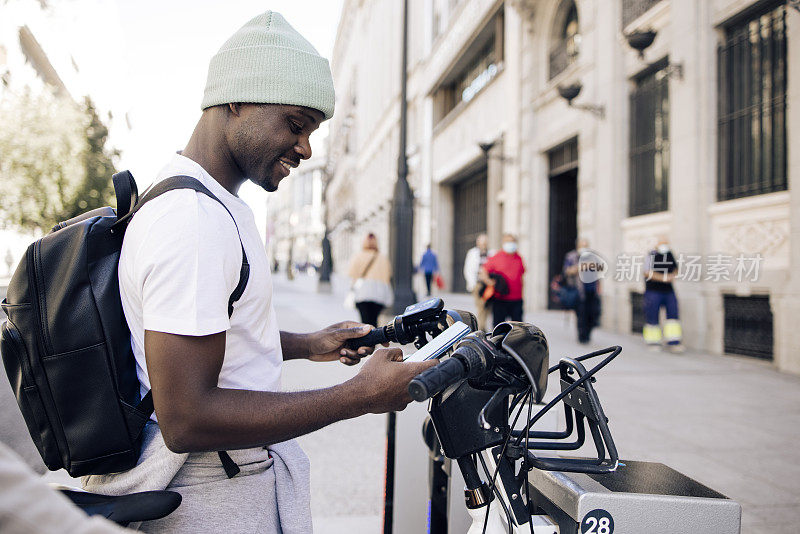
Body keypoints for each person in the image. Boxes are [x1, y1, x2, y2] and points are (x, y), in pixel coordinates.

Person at [82, 12, 436, 533]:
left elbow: (208, 333)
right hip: (204, 495)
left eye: (312, 131)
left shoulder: (209, 202)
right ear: (236, 100)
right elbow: (187, 417)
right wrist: (358, 396)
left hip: (223, 481)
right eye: (296, 125)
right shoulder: (192, 220)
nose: (306, 148)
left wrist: (305, 343)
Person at [643, 236, 684, 352]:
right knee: (652, 316)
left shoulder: (669, 254)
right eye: (663, 243)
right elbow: (646, 272)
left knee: (673, 316)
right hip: (653, 291)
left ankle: (674, 342)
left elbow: (676, 268)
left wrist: (672, 276)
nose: (665, 245)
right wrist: (663, 278)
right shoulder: (651, 255)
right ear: (657, 244)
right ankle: (653, 342)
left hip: (668, 291)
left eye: (666, 243)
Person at [479, 234, 526, 327]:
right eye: (508, 242)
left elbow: (522, 275)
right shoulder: (497, 256)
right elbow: (483, 271)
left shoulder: (518, 257)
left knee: (518, 327)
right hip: (500, 299)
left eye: (512, 242)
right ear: (503, 243)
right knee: (498, 326)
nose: (510, 244)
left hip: (517, 299)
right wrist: (489, 282)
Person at [347, 232, 393, 327]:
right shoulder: (382, 258)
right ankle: (373, 339)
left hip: (362, 292)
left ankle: (365, 340)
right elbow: (388, 275)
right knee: (374, 320)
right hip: (378, 293)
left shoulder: (358, 256)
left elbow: (352, 273)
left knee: (364, 321)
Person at [563, 238, 601, 344]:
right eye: (582, 245)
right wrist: (579, 267)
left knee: (592, 313)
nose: (584, 248)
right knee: (581, 314)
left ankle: (588, 333)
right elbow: (567, 271)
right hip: (579, 290)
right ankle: (582, 336)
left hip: (592, 290)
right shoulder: (571, 256)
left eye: (586, 245)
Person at [463, 233, 493, 331]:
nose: (484, 244)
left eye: (485, 242)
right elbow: (468, 269)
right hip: (478, 285)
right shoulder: (472, 253)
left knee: (487, 308)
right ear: (478, 243)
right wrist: (472, 285)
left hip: (489, 285)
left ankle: (482, 327)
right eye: (482, 242)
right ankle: (481, 328)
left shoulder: (492, 253)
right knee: (480, 307)